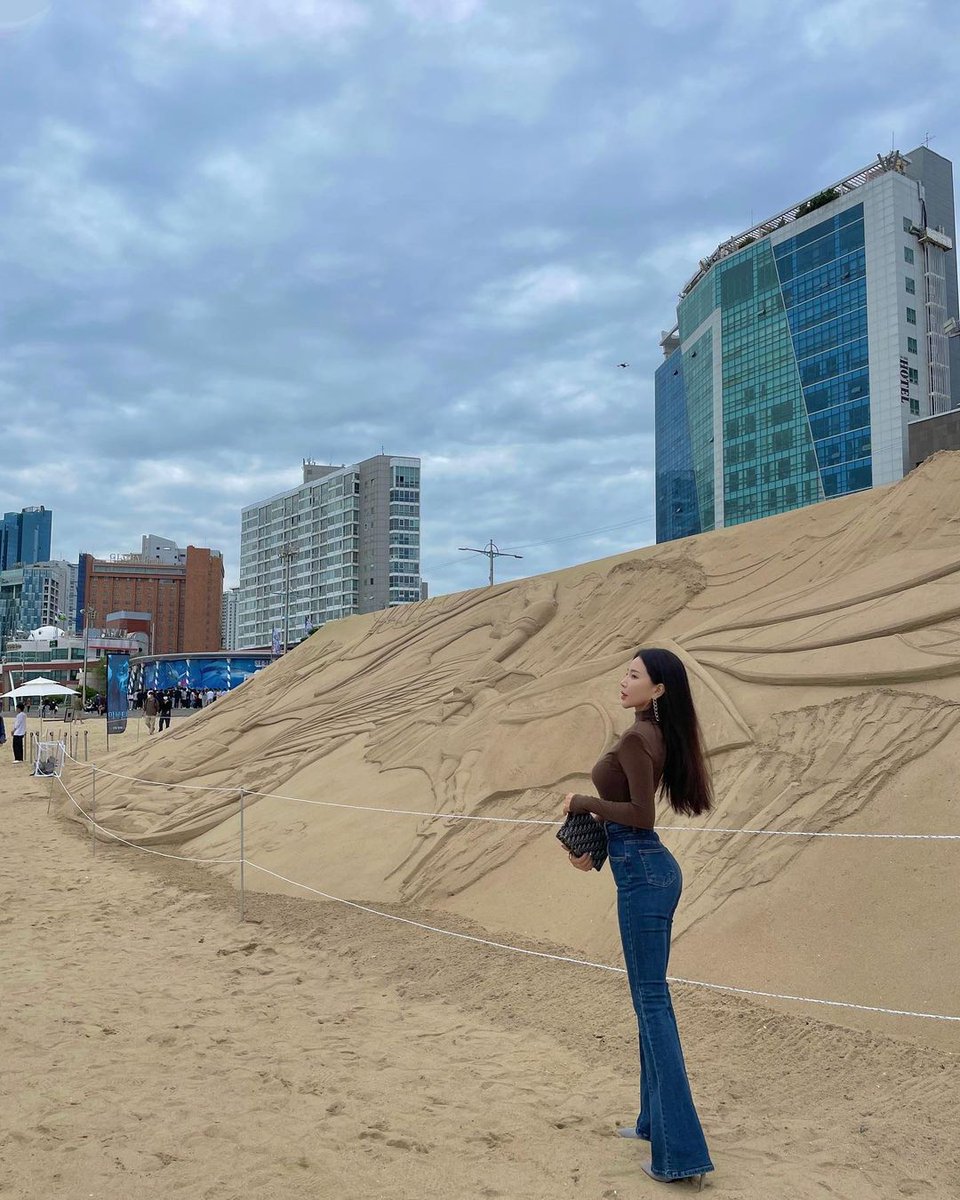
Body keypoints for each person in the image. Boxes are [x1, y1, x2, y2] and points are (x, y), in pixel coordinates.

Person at [562, 647, 714, 1186]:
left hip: (645, 875)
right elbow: (630, 818)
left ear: (659, 691)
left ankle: (681, 1155)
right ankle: (653, 1124)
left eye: (634, 675)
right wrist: (595, 846)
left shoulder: (635, 739)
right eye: (624, 671)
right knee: (648, 1000)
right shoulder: (652, 735)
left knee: (652, 1004)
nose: (623, 680)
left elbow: (641, 817)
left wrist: (583, 802)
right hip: (646, 871)